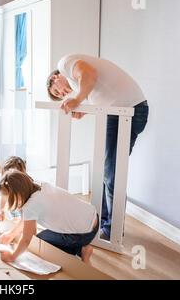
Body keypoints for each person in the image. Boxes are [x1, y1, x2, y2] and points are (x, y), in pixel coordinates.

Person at [46, 54, 149, 239]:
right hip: (127, 109)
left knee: (111, 174)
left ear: (55, 78)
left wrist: (77, 100)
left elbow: (89, 73)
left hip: (125, 111)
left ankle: (111, 230)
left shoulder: (64, 64)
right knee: (107, 171)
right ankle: (101, 222)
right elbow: (97, 89)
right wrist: (84, 108)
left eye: (57, 91)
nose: (62, 94)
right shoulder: (78, 85)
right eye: (59, 95)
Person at [0, 170, 99, 264]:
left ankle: (81, 249)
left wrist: (13, 256)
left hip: (83, 233)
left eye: (10, 200)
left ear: (18, 195)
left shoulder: (31, 206)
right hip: (93, 217)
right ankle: (81, 246)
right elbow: (26, 220)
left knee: (40, 242)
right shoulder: (37, 185)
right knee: (44, 236)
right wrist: (11, 234)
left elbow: (27, 238)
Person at [0, 156, 27, 222]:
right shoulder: (6, 184)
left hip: (25, 210)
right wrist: (1, 209)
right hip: (15, 208)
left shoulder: (25, 188)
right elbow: (4, 196)